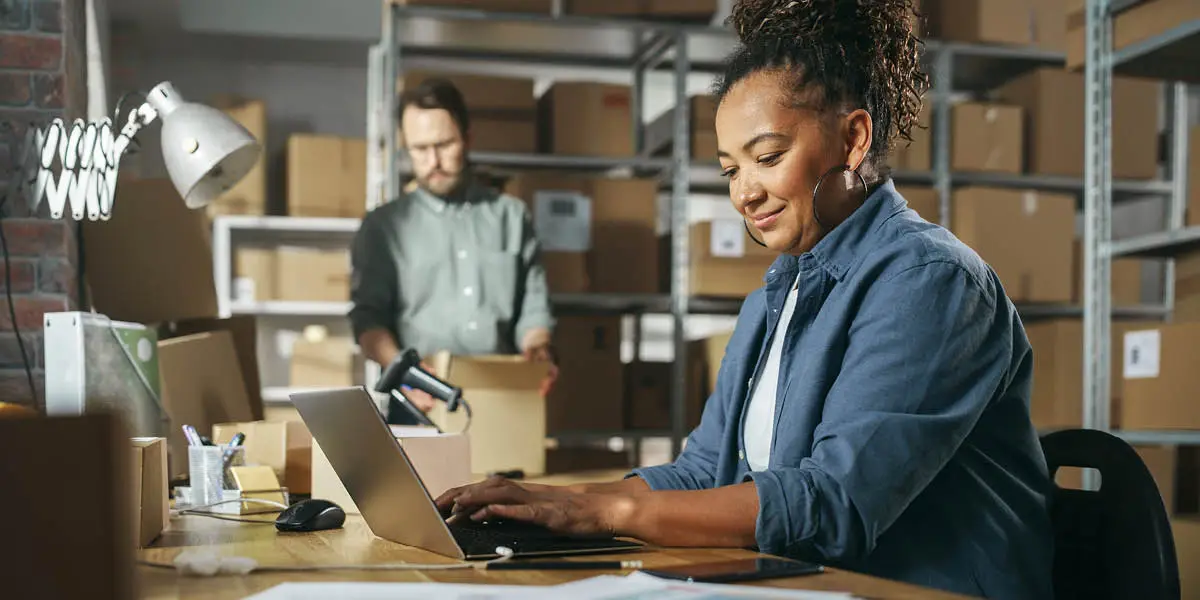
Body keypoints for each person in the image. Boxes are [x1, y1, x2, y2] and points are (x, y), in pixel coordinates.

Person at [433, 1, 1054, 598]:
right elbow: (704, 472)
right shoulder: (779, 292)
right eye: (731, 170)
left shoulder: (930, 282)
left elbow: (832, 505)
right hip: (814, 586)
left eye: (768, 157)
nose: (744, 194)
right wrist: (554, 501)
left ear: (854, 138)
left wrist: (603, 511)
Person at [350, 78, 556, 413]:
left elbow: (534, 308)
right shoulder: (382, 227)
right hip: (420, 401)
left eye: (444, 144)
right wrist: (406, 372)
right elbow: (368, 320)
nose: (433, 160)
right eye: (419, 149)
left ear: (467, 139)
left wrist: (538, 347)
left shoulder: (512, 217)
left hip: (502, 398)